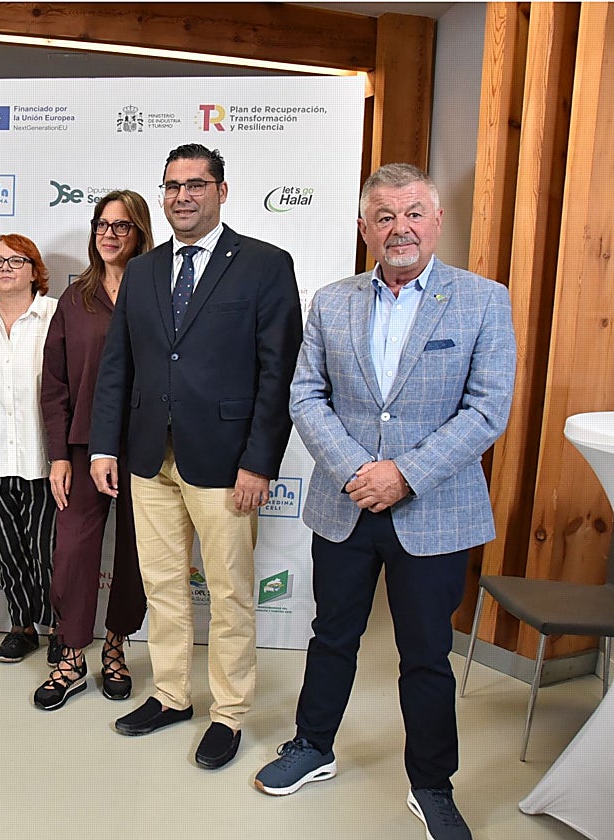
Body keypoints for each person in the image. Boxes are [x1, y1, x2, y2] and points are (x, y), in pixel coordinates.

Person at [254, 164, 516, 840]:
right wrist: (356, 471)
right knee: (331, 635)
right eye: (384, 217)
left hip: (435, 510)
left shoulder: (484, 300)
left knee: (426, 654)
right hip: (345, 506)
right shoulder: (333, 301)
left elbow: (487, 410)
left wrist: (402, 474)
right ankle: (313, 746)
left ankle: (432, 785)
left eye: (414, 214)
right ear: (364, 228)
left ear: (435, 221)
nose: (400, 228)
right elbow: (306, 394)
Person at [89, 144, 303, 767]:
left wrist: (260, 462)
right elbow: (118, 368)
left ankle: (230, 712)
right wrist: (106, 445)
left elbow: (277, 374)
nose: (183, 195)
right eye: (172, 185)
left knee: (232, 592)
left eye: (195, 184)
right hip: (148, 457)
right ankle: (172, 693)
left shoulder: (265, 265)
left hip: (228, 461)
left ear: (222, 190)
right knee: (161, 587)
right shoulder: (145, 271)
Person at [35, 190, 153, 710]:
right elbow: (55, 382)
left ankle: (116, 644)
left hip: (146, 447)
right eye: (102, 224)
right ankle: (72, 654)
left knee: (135, 553)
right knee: (74, 553)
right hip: (83, 448)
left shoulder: (159, 292)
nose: (109, 234)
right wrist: (59, 454)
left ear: (140, 233)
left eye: (121, 226)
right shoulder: (74, 299)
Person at [0, 234, 58, 665]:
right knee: (9, 552)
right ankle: (21, 626)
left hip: (44, 461)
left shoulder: (56, 316)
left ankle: (61, 628)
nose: (5, 268)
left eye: (16, 260)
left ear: (34, 268)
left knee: (49, 554)